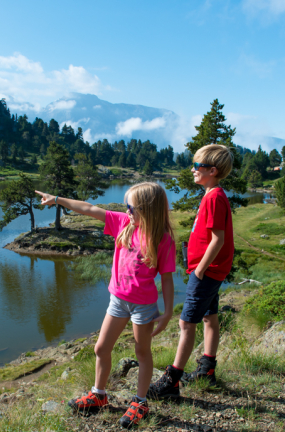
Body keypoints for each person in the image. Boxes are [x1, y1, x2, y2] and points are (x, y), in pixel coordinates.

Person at [35, 182, 175, 429]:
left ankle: (140, 402)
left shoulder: (162, 239)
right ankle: (99, 395)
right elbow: (88, 208)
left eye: (131, 207)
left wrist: (167, 312)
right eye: (126, 206)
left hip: (143, 306)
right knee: (101, 348)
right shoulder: (123, 222)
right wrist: (57, 198)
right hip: (118, 301)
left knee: (142, 353)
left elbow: (166, 278)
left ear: (148, 210)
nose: (127, 210)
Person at [148, 144, 235, 399]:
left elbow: (217, 240)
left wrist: (199, 271)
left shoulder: (215, 197)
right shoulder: (211, 194)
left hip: (207, 272)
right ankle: (207, 369)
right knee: (209, 316)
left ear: (212, 170)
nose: (192, 170)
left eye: (197, 166)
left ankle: (171, 382)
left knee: (186, 323)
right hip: (210, 271)